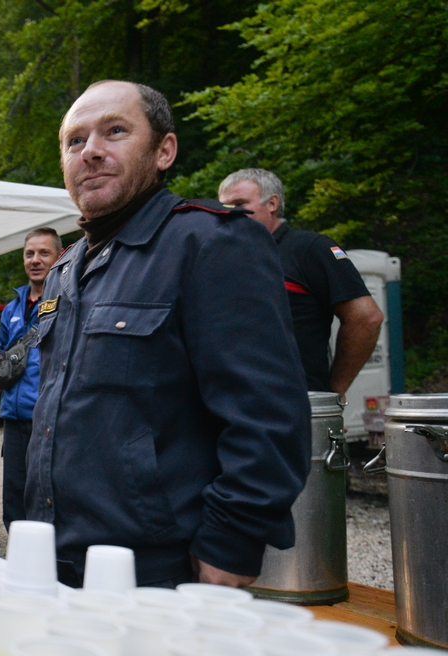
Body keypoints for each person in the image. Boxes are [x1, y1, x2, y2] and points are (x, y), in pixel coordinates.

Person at [24, 80, 310, 589]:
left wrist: (232, 542)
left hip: (161, 570)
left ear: (164, 150)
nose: (91, 151)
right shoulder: (66, 267)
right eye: (75, 141)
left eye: (115, 131)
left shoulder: (211, 243)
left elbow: (268, 413)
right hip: (57, 558)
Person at [217, 168, 384, 399]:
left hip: (295, 406)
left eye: (239, 203)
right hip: (230, 406)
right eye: (224, 206)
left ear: (272, 203)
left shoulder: (309, 249)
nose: (230, 213)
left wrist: (334, 390)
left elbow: (365, 318)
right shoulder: (220, 257)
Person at [0, 228, 62, 531]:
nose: (35, 260)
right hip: (14, 418)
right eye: (29, 253)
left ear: (59, 257)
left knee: (47, 497)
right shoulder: (12, 308)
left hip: (49, 420)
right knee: (13, 495)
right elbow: (2, 355)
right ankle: (16, 562)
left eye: (44, 253)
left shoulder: (67, 302)